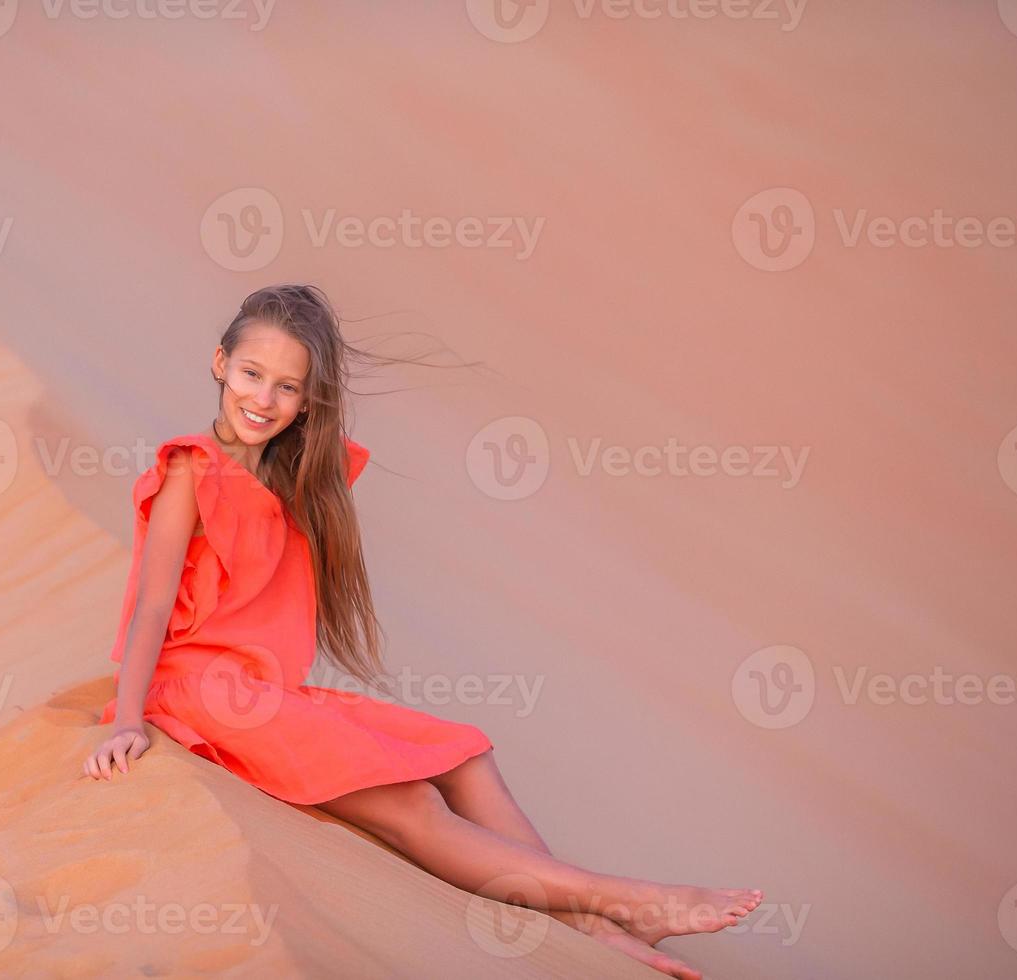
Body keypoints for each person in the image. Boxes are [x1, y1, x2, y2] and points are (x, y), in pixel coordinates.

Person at [85, 283, 761, 979]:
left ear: (308, 400)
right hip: (199, 692)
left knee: (463, 757)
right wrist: (128, 720)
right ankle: (631, 901)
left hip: (260, 691)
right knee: (411, 802)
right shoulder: (190, 470)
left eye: (288, 387)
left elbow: (316, 468)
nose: (263, 399)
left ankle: (589, 927)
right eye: (252, 374)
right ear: (219, 362)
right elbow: (152, 606)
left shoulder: (290, 478)